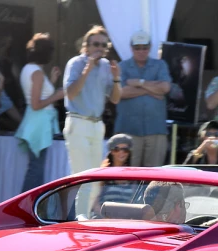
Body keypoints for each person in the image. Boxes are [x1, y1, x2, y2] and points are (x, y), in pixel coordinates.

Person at [63, 25, 121, 174]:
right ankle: (77, 199)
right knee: (81, 176)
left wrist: (116, 79)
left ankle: (89, 199)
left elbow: (115, 99)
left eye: (103, 45)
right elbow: (70, 94)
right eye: (96, 44)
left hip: (97, 125)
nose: (100, 48)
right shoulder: (75, 63)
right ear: (86, 47)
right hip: (78, 122)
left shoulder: (106, 65)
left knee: (95, 179)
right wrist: (87, 70)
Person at [16, 33, 64, 193]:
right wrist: (57, 95)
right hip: (39, 122)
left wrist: (52, 80)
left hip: (36, 120)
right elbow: (36, 104)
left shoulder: (29, 69)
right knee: (36, 169)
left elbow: (36, 97)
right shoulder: (36, 72)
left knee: (35, 167)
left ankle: (30, 207)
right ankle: (26, 208)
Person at [115, 30, 171, 167]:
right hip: (128, 130)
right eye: (137, 48)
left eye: (144, 47)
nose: (141, 51)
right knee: (127, 174)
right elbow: (120, 93)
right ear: (131, 48)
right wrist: (153, 90)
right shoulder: (122, 66)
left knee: (154, 176)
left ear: (150, 47)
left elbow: (165, 88)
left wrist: (139, 83)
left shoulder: (160, 65)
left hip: (155, 129)